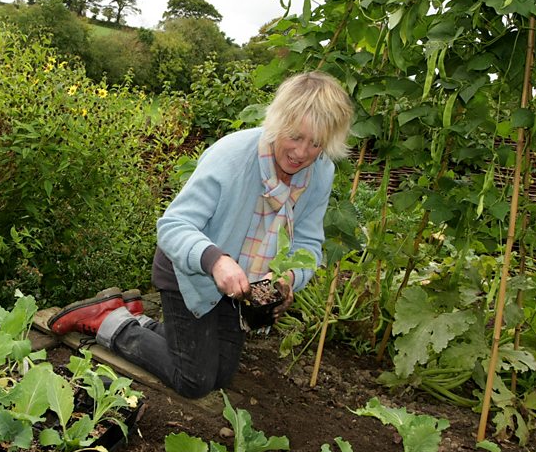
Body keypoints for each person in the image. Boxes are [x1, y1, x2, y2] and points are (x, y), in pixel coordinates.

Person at [47, 71, 354, 398]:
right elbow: (173, 226)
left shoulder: (319, 173)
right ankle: (110, 321)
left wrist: (290, 279)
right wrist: (216, 261)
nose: (302, 152)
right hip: (188, 270)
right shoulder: (233, 157)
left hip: (239, 284)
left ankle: (145, 324)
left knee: (221, 374)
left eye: (316, 143)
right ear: (277, 123)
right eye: (295, 136)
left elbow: (308, 245)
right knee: (194, 380)